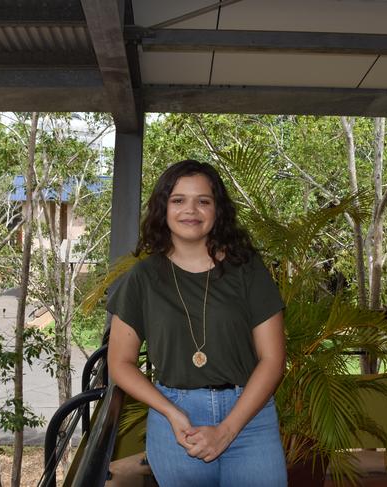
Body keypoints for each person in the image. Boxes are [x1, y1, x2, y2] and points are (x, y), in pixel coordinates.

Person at [106, 159, 288, 486]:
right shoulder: (143, 279)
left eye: (203, 200)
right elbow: (120, 363)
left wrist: (227, 430)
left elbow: (273, 359)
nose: (191, 210)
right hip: (176, 420)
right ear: (164, 208)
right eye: (178, 200)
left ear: (218, 210)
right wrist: (171, 412)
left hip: (248, 419)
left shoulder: (247, 270)